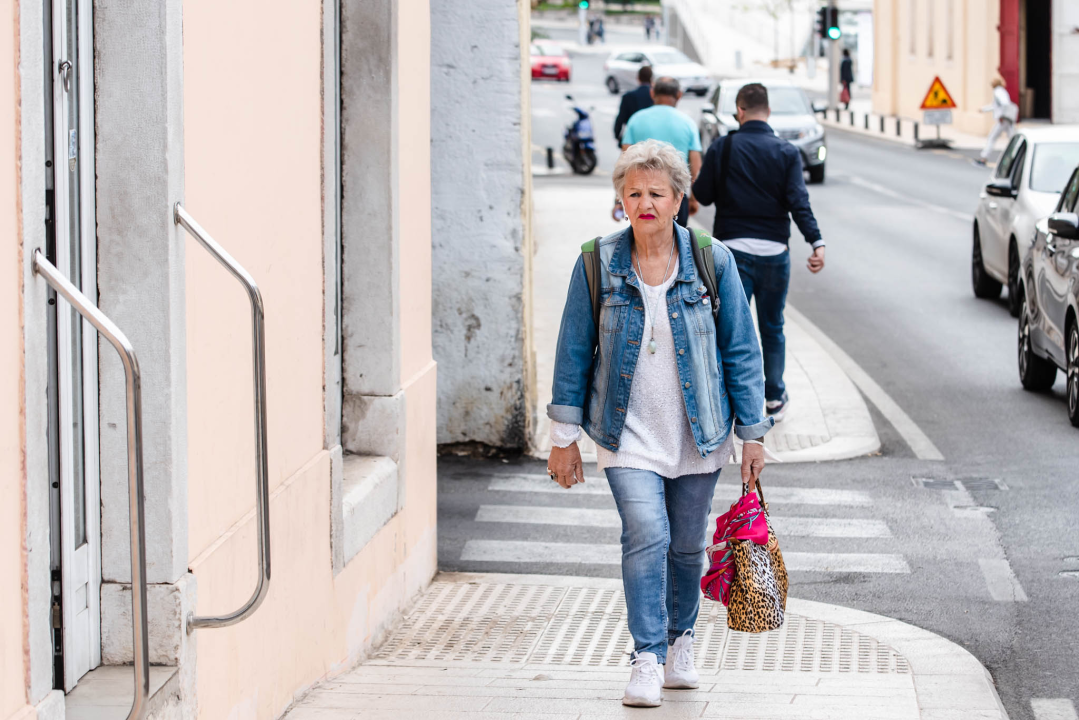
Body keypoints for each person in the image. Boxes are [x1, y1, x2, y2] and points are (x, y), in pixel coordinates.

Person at [546, 139, 773, 708]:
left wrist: (753, 433)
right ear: (620, 199)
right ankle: (646, 655)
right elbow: (572, 351)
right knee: (647, 533)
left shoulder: (711, 261)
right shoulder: (596, 261)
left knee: (688, 545)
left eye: (656, 193)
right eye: (633, 192)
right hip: (626, 432)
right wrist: (562, 439)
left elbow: (742, 351)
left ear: (679, 199)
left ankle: (681, 642)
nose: (644, 202)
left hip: (700, 432)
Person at [692, 82, 825, 422]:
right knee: (772, 326)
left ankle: (727, 396)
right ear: (768, 112)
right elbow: (799, 202)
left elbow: (703, 195)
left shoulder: (724, 147)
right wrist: (816, 242)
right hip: (774, 254)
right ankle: (774, 397)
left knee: (731, 328)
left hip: (732, 253)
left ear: (739, 110)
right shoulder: (787, 152)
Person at [620, 76, 702, 227]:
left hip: (640, 198)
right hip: (676, 197)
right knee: (676, 245)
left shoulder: (636, 119)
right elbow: (696, 168)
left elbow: (624, 164)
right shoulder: (688, 123)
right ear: (679, 95)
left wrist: (619, 199)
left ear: (652, 93)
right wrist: (693, 199)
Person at [976, 76, 1019, 165]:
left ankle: (984, 158)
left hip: (1003, 119)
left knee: (992, 137)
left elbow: (1004, 103)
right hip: (1006, 119)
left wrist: (1001, 115)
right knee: (1012, 137)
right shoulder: (1001, 91)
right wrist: (983, 109)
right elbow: (995, 106)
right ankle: (1017, 155)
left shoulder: (998, 91)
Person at [614, 66, 654, 144]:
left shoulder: (628, 96)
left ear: (638, 78)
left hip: (633, 137)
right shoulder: (656, 97)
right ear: (651, 78)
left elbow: (620, 119)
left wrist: (617, 135)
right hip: (652, 138)